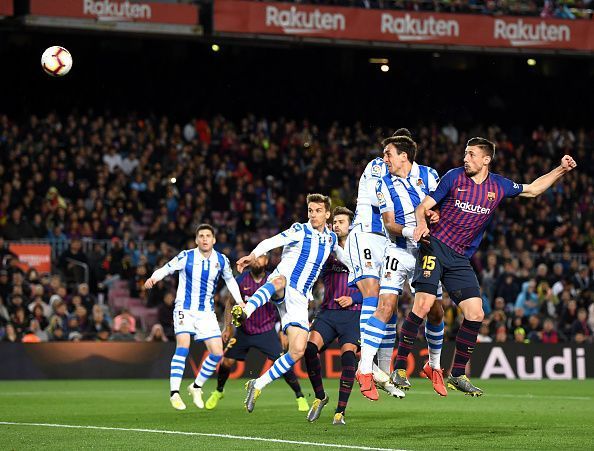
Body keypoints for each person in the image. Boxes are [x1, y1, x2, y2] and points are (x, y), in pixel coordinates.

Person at [392, 137, 576, 396]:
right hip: (434, 246)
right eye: (465, 154)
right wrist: (421, 223)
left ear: (486, 159)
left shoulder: (499, 185)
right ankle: (399, 368)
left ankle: (457, 373)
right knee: (422, 305)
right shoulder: (454, 177)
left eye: (471, 154)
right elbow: (424, 206)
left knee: (476, 313)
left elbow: (533, 189)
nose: (465, 158)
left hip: (459, 259)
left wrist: (561, 170)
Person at [232, 193, 348, 413]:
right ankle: (246, 310)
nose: (313, 215)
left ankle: (257, 384)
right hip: (283, 284)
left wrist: (366, 270)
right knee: (279, 280)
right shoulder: (299, 229)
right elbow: (272, 241)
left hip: (300, 299)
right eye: (310, 211)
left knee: (297, 349)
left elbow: (344, 258)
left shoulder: (330, 239)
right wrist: (253, 255)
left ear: (327, 214)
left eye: (317, 211)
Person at [359, 134, 446, 400]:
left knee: (436, 311)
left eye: (388, 154)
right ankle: (365, 369)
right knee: (385, 307)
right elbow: (389, 223)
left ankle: (433, 365)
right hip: (398, 250)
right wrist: (413, 230)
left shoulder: (430, 175)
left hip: (427, 252)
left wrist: (434, 216)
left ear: (403, 156)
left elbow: (443, 208)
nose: (384, 159)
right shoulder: (383, 183)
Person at [144, 224, 244, 411]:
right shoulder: (186, 256)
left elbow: (230, 281)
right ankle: (174, 393)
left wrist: (240, 301)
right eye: (201, 236)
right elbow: (166, 269)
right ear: (196, 240)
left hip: (206, 312)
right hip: (185, 309)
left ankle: (196, 387)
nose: (205, 239)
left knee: (217, 352)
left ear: (214, 240)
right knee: (183, 345)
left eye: (208, 236)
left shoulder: (221, 260)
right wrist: (153, 278)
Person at [304, 206, 387, 426]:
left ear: (351, 225)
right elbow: (313, 276)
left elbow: (375, 288)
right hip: (328, 313)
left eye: (341, 221)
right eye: (335, 222)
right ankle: (321, 397)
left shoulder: (364, 251)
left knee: (348, 358)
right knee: (309, 349)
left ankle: (340, 411)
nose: (337, 225)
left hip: (353, 315)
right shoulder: (327, 251)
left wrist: (355, 299)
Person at [343, 128, 412, 384]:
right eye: (385, 152)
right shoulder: (377, 166)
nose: (385, 157)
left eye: (389, 153)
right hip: (366, 233)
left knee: (389, 303)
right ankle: (367, 362)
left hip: (387, 242)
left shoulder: (410, 176)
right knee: (371, 292)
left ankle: (382, 368)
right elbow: (374, 196)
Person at [204, 253, 308, 412]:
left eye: (261, 258)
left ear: (266, 261)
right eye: (255, 258)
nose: (257, 261)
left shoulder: (273, 280)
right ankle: (219, 391)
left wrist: (283, 331)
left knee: (283, 363)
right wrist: (227, 326)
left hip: (266, 331)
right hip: (244, 331)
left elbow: (283, 306)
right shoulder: (241, 280)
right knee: (226, 362)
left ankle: (300, 396)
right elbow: (230, 303)